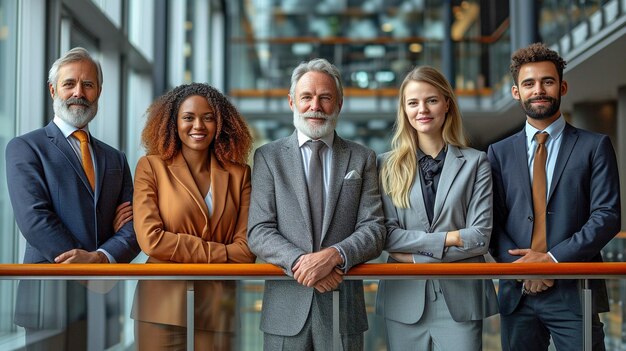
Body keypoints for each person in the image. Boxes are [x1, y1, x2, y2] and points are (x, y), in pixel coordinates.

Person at [487, 42, 621, 350]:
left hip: (575, 289)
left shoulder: (595, 145)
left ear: (562, 86)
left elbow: (607, 216)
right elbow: (492, 221)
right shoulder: (499, 152)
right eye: (529, 83)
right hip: (518, 294)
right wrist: (523, 270)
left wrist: (552, 261)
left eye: (547, 81)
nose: (539, 90)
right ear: (515, 92)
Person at [5, 47, 139, 350]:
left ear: (99, 92)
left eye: (88, 85)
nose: (79, 92)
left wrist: (101, 259)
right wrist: (89, 267)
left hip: (100, 303)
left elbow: (135, 226)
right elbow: (35, 219)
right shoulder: (26, 148)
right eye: (69, 84)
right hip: (47, 300)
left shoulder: (115, 158)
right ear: (53, 90)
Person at [247, 58, 386, 350]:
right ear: (291, 102)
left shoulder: (363, 158)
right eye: (306, 97)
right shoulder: (268, 158)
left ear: (339, 104)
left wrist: (333, 256)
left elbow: (374, 229)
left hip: (343, 306)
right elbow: (259, 230)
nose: (316, 106)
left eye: (325, 98)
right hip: (285, 310)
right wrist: (302, 264)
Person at [375, 66, 498, 350]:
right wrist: (449, 238)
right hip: (404, 299)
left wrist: (415, 258)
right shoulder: (386, 166)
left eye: (431, 100)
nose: (422, 109)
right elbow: (388, 237)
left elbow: (479, 238)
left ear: (446, 104)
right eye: (413, 102)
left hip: (462, 298)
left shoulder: (476, 162)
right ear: (404, 110)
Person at [131, 82, 256, 350]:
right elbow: (151, 241)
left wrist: (177, 245)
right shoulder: (151, 168)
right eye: (188, 117)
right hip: (159, 306)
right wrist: (221, 252)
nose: (198, 126)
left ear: (220, 123)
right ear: (173, 123)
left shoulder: (240, 174)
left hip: (217, 307)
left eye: (208, 118)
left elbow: (246, 251)